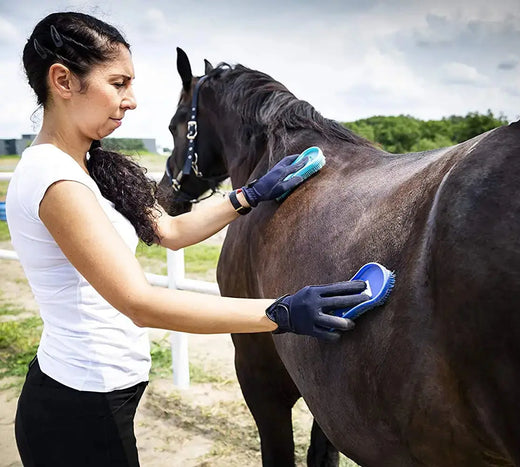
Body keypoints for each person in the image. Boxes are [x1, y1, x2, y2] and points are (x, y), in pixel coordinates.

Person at [7, 11, 368, 467]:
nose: (132, 100)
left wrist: (249, 195)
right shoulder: (53, 177)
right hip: (79, 407)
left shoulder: (90, 166)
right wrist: (281, 312)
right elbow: (139, 302)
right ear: (62, 80)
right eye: (118, 83)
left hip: (101, 392)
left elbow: (170, 230)